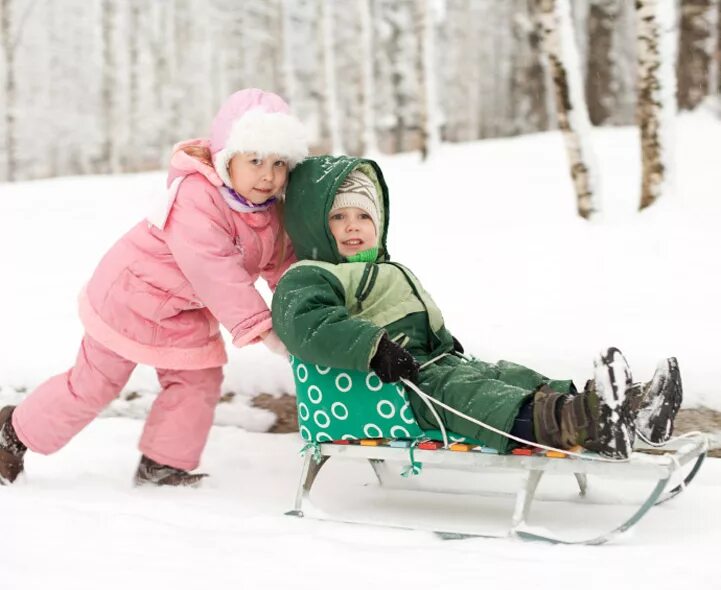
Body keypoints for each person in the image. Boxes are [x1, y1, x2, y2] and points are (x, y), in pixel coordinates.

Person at [270, 156, 682, 458]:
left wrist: (441, 340)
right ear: (311, 225)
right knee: (468, 394)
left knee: (504, 375)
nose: (353, 225)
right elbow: (311, 325)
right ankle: (587, 422)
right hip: (387, 390)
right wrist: (373, 347)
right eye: (338, 216)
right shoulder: (307, 276)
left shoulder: (385, 268)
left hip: (426, 366)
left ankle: (625, 410)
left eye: (364, 214)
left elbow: (412, 318)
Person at [0, 88, 309, 487]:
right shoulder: (198, 196)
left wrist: (304, 312)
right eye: (255, 160)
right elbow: (213, 268)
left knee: (198, 381)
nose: (268, 175)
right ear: (226, 157)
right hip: (130, 296)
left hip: (183, 311)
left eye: (279, 163)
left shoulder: (269, 215)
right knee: (95, 385)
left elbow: (283, 266)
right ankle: (13, 433)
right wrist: (263, 327)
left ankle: (163, 465)